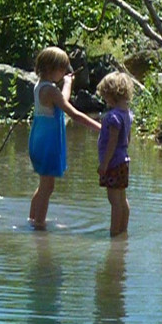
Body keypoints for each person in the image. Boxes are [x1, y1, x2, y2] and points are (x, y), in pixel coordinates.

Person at [28, 46, 101, 230]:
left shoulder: (41, 86)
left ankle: (33, 218)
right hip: (48, 142)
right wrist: (99, 127)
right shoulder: (51, 90)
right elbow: (73, 113)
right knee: (48, 187)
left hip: (39, 138)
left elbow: (62, 101)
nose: (65, 72)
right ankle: (39, 225)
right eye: (63, 68)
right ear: (52, 69)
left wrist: (68, 83)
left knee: (43, 184)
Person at [97, 71, 135, 236]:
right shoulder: (127, 114)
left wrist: (104, 164)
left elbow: (112, 142)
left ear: (111, 96)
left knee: (114, 201)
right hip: (123, 161)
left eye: (105, 97)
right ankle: (123, 230)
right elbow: (127, 139)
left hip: (113, 163)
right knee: (122, 199)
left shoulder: (113, 117)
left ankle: (114, 233)